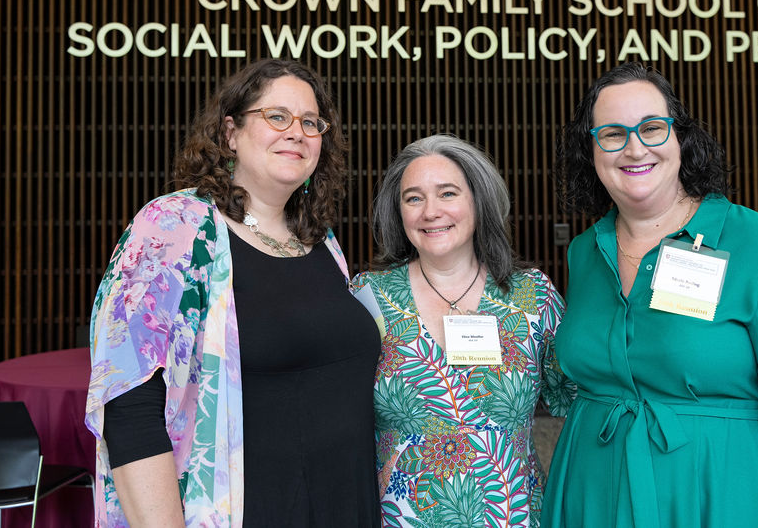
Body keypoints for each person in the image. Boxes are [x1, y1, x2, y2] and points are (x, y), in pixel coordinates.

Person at [541, 62, 758, 527]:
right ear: (591, 150)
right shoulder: (587, 253)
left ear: (681, 138)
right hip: (592, 493)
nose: (634, 148)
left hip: (719, 497)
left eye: (652, 127)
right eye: (611, 134)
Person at [84, 59, 381, 527]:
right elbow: (128, 405)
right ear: (230, 134)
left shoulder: (321, 241)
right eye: (276, 116)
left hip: (345, 506)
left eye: (311, 122)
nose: (297, 132)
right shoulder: (174, 228)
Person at [350, 134, 576, 527]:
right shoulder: (368, 297)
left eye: (448, 193)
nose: (430, 211)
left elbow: (577, 400)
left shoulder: (531, 296)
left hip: (514, 516)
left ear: (478, 201)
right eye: (413, 198)